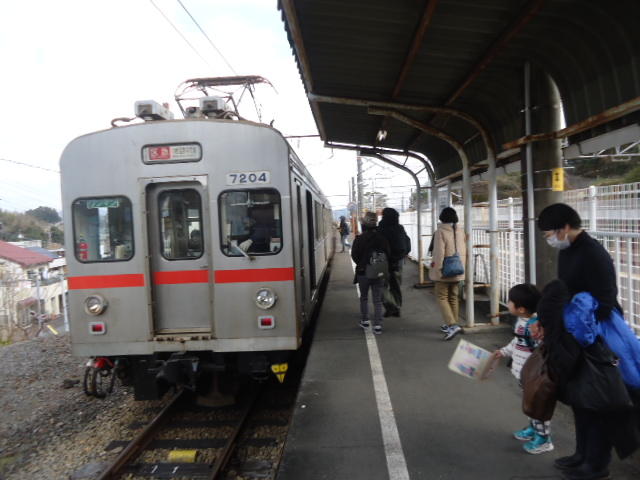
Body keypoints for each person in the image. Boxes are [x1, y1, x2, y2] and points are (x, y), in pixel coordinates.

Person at [536, 280, 639, 480]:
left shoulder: (582, 304)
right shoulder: (573, 299)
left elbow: (584, 337)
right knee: (583, 411)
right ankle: (582, 456)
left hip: (609, 372)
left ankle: (596, 466)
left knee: (597, 416)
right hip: (596, 367)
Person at [493, 284, 553, 454]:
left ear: (521, 309)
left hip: (534, 375)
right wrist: (503, 351)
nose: (508, 303)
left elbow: (541, 348)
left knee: (538, 407)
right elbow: (517, 342)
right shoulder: (522, 322)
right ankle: (533, 428)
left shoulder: (534, 327)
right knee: (530, 404)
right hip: (525, 374)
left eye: (510, 301)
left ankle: (544, 439)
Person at [537, 203, 622, 322]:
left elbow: (606, 298)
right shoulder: (567, 248)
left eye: (548, 235)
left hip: (591, 323)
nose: (548, 240)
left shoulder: (592, 252)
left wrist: (580, 324)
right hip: (575, 317)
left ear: (565, 228)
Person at [429, 207, 466, 341]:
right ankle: (453, 323)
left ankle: (452, 325)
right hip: (458, 269)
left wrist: (438, 269)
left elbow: (439, 253)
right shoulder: (460, 230)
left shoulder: (441, 231)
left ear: (442, 217)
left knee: (441, 297)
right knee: (453, 297)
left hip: (445, 270)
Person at [351, 211, 390, 335]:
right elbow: (388, 254)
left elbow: (354, 255)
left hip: (363, 272)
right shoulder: (382, 239)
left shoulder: (359, 239)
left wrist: (362, 264)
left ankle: (365, 320)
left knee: (364, 297)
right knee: (377, 299)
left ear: (364, 225)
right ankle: (378, 325)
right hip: (378, 272)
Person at [377, 207, 411, 317]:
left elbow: (378, 247)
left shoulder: (380, 229)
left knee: (381, 287)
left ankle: (392, 306)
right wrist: (402, 255)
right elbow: (407, 243)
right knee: (395, 286)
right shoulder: (400, 228)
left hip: (384, 262)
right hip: (398, 262)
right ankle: (395, 308)